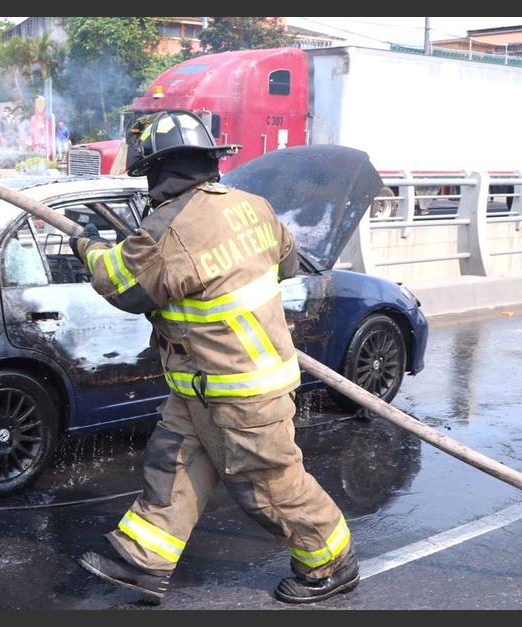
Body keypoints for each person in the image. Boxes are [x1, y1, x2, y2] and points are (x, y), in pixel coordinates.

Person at [69, 110, 358, 605]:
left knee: (269, 485)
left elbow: (124, 287)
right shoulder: (253, 206)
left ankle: (331, 563)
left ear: (157, 170)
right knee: (173, 466)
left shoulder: (169, 226)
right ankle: (143, 561)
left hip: (240, 390)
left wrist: (86, 245)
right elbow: (286, 262)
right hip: (203, 384)